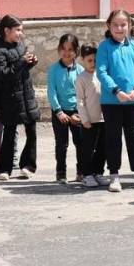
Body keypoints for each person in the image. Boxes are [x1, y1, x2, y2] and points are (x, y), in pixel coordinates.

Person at [96, 9, 134, 192]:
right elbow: (101, 72)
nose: (119, 28)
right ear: (109, 26)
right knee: (113, 139)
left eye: (123, 24)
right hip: (111, 102)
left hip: (132, 102)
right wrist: (116, 91)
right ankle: (114, 175)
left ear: (129, 26)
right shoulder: (104, 47)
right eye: (115, 25)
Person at [0, 15, 41, 180]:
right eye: (18, 30)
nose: (21, 33)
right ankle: (4, 169)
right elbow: (3, 74)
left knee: (31, 131)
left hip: (27, 96)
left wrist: (31, 61)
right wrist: (21, 61)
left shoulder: (20, 46)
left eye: (21, 29)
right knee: (9, 134)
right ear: (7, 30)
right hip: (10, 99)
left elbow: (22, 67)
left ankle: (28, 165)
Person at [47, 33, 83, 183]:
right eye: (63, 48)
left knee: (80, 143)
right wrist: (58, 111)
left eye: (70, 49)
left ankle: (82, 171)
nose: (66, 52)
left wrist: (79, 113)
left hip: (77, 113)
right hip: (59, 113)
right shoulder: (53, 69)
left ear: (76, 51)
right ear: (59, 50)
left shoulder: (80, 70)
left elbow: (83, 94)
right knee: (61, 145)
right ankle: (61, 173)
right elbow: (51, 92)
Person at [76, 43, 107, 188]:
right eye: (89, 60)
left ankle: (98, 172)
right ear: (82, 60)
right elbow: (80, 101)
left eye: (95, 60)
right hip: (89, 121)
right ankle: (87, 174)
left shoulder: (102, 75)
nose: (93, 63)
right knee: (87, 149)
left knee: (103, 148)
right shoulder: (81, 78)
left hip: (104, 119)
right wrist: (85, 119)